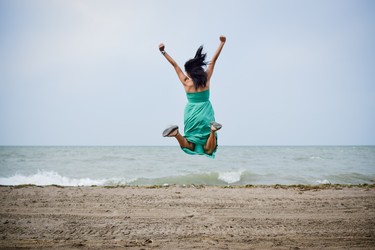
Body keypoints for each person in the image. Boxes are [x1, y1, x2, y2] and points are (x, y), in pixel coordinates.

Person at [159, 35, 226, 158]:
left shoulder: (186, 81)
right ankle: (212, 130)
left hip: (191, 113)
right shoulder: (205, 79)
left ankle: (176, 134)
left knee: (189, 142)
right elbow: (213, 61)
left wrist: (163, 52)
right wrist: (222, 43)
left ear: (189, 72)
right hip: (205, 111)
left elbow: (175, 65)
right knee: (209, 149)